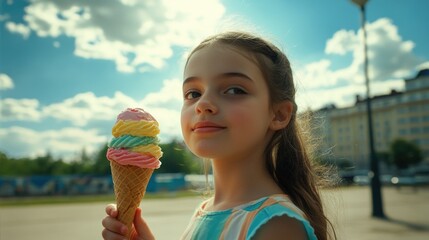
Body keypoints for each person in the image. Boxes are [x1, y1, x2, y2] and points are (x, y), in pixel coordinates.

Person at [102, 31, 336, 240]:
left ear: (278, 114)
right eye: (193, 93)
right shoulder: (206, 210)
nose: (203, 104)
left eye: (234, 90)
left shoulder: (277, 225)